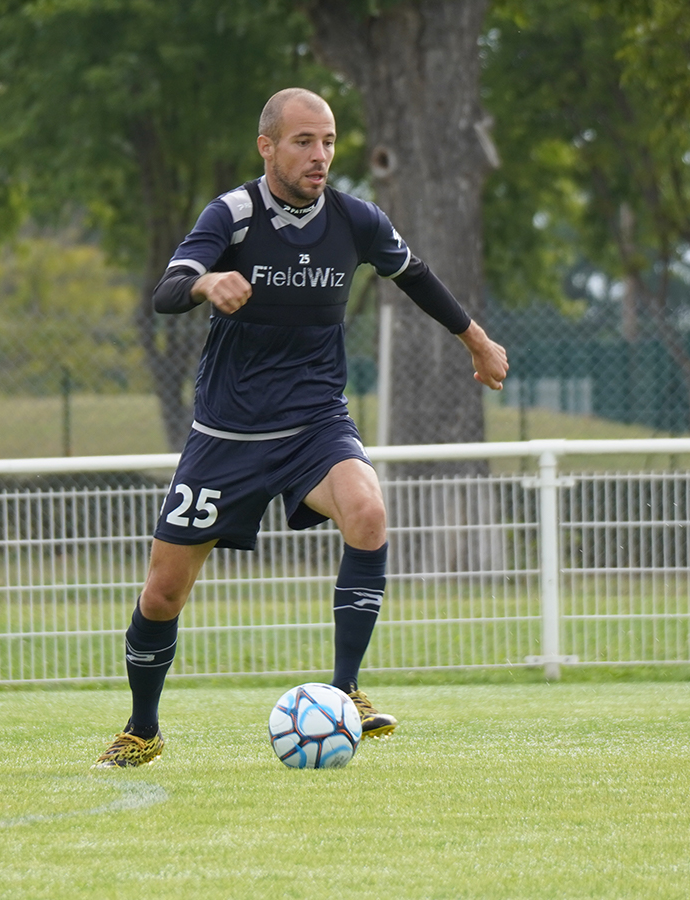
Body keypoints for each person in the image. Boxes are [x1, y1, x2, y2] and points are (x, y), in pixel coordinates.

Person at [93, 87, 508, 768]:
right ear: (267, 146)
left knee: (368, 512)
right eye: (303, 142)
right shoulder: (231, 214)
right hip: (225, 439)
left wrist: (477, 342)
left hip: (315, 423)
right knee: (163, 592)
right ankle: (143, 728)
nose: (320, 156)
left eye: (329, 142)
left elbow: (417, 276)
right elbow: (167, 290)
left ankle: (345, 695)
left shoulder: (355, 219)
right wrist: (205, 284)